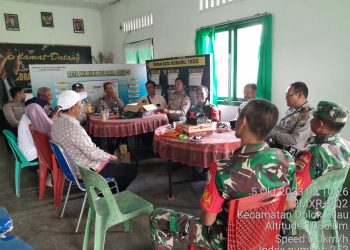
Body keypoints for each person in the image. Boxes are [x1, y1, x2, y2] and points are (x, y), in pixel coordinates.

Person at [150, 99, 296, 249]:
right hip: (264, 235)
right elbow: (290, 203)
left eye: (238, 116)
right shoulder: (287, 160)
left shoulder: (222, 169)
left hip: (225, 240)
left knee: (158, 216)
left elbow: (207, 221)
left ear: (243, 121)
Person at [51, 90, 137, 191]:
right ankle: (107, 199)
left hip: (73, 167)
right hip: (85, 169)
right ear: (73, 108)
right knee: (131, 170)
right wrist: (111, 157)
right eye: (80, 103)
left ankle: (106, 193)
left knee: (118, 166)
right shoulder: (73, 128)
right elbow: (92, 154)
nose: (83, 105)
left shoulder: (56, 123)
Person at [293, 101, 349, 220]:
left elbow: (295, 190)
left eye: (313, 118)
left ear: (320, 124)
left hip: (308, 209)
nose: (311, 120)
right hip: (328, 204)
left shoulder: (314, 153)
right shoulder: (346, 146)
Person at [269, 81, 313, 155]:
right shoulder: (292, 109)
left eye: (288, 95)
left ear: (300, 95)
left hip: (288, 155)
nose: (285, 98)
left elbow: (294, 139)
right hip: (276, 148)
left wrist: (270, 133)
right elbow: (281, 128)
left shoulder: (307, 115)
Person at [17, 97, 47, 162]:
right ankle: (44, 169)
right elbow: (35, 141)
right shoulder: (30, 121)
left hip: (27, 150)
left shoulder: (26, 116)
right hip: (31, 155)